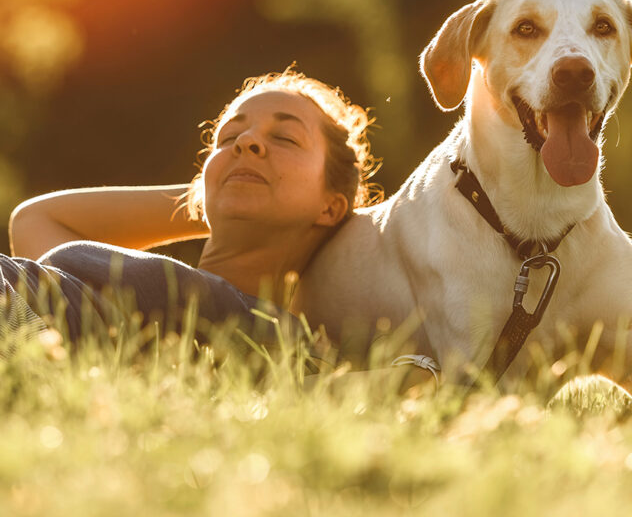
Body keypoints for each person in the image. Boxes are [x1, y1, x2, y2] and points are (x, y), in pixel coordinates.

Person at [2, 69, 378, 357]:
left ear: (330, 206)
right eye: (229, 138)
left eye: (285, 138)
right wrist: (212, 192)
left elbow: (348, 383)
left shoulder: (276, 338)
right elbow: (35, 218)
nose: (246, 142)